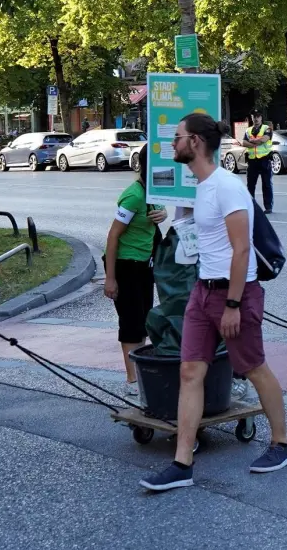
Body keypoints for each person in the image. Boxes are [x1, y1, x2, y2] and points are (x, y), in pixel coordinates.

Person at [139, 113, 287, 492]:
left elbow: (242, 249)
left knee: (254, 368)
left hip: (235, 294)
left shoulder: (227, 187)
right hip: (203, 292)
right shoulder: (202, 186)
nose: (172, 143)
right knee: (190, 372)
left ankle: (282, 443)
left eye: (177, 137)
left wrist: (233, 305)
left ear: (195, 142)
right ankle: (182, 463)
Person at [105, 152, 166, 396]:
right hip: (126, 265)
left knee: (142, 322)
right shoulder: (134, 196)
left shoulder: (155, 192)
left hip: (144, 264)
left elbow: (159, 212)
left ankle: (140, 376)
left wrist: (163, 214)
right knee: (131, 323)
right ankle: (132, 381)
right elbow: (113, 236)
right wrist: (110, 278)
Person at [242, 112, 274, 215]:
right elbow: (244, 143)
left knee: (267, 184)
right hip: (252, 161)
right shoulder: (248, 130)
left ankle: (268, 207)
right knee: (250, 185)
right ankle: (250, 206)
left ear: (261, 118)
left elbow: (265, 139)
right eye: (254, 117)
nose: (256, 119)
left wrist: (252, 141)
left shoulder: (266, 128)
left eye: (257, 117)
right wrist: (256, 142)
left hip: (264, 159)